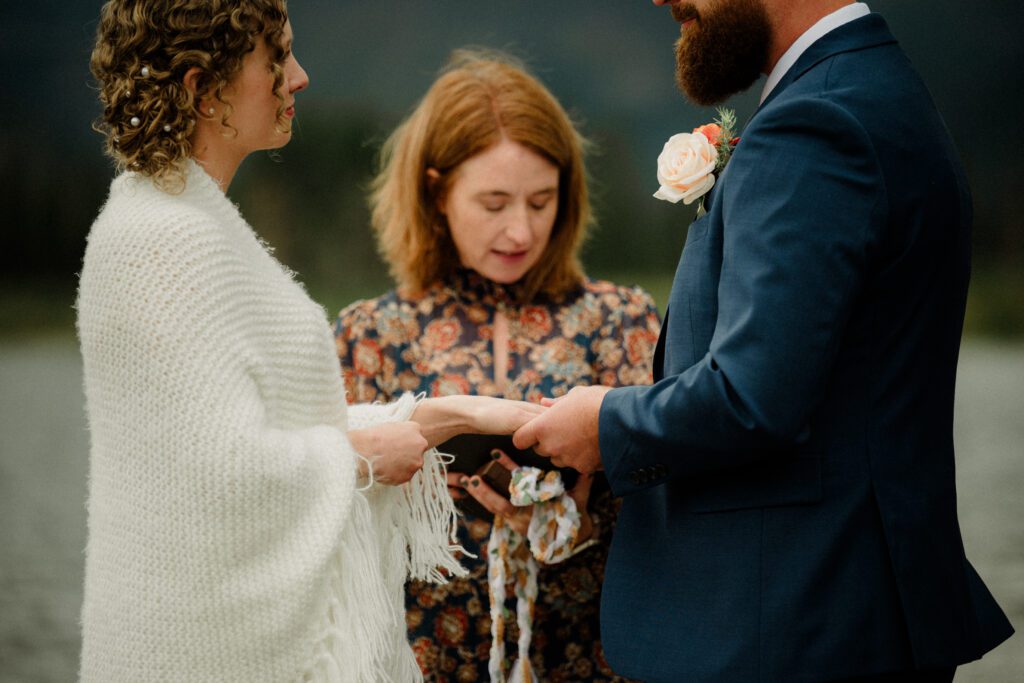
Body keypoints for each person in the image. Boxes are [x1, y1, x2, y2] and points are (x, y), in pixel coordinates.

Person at [514, 1, 1015, 681]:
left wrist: (605, 424)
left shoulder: (821, 122)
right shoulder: (873, 91)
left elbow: (751, 395)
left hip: (789, 629)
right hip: (838, 618)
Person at [78, 3, 540, 681]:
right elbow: (213, 477)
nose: (300, 77)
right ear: (199, 87)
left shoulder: (183, 221)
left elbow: (261, 435)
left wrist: (451, 417)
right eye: (277, 59)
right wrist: (368, 457)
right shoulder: (160, 243)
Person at [335, 50, 661, 682]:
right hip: (421, 661)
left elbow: (676, 499)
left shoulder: (622, 319)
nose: (520, 230)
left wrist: (583, 512)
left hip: (591, 660)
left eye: (541, 201)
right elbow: (320, 509)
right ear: (436, 192)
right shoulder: (366, 335)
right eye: (494, 203)